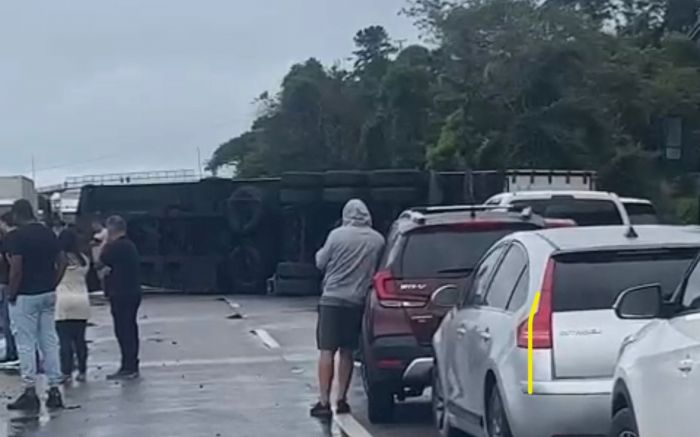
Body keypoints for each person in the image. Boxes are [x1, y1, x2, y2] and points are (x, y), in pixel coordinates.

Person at [310, 199, 384, 418]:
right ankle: (342, 399)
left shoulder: (337, 235)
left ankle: (323, 401)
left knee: (326, 351)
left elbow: (320, 262)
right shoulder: (377, 240)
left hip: (332, 299)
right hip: (357, 301)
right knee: (347, 352)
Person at [4, 199, 67, 411]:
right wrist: (53, 282)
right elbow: (63, 260)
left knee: (26, 343)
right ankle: (54, 389)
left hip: (25, 295)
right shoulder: (48, 233)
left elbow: (16, 268)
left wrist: (12, 293)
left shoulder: (16, 237)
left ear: (17, 215)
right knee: (49, 341)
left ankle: (30, 391)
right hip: (47, 293)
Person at [99, 215, 141, 380]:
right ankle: (131, 364)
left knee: (123, 330)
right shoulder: (128, 245)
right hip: (131, 292)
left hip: (122, 293)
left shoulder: (117, 246)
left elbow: (101, 260)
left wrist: (105, 241)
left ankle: (128, 366)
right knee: (129, 328)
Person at [55, 251, 90, 383]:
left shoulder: (57, 259)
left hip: (63, 300)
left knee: (64, 340)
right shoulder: (84, 259)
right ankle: (82, 371)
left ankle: (66, 372)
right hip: (81, 299)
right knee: (80, 339)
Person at [0, 213, 18, 365]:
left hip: (5, 283)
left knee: (7, 320)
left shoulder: (7, 240)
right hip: (10, 283)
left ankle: (12, 352)